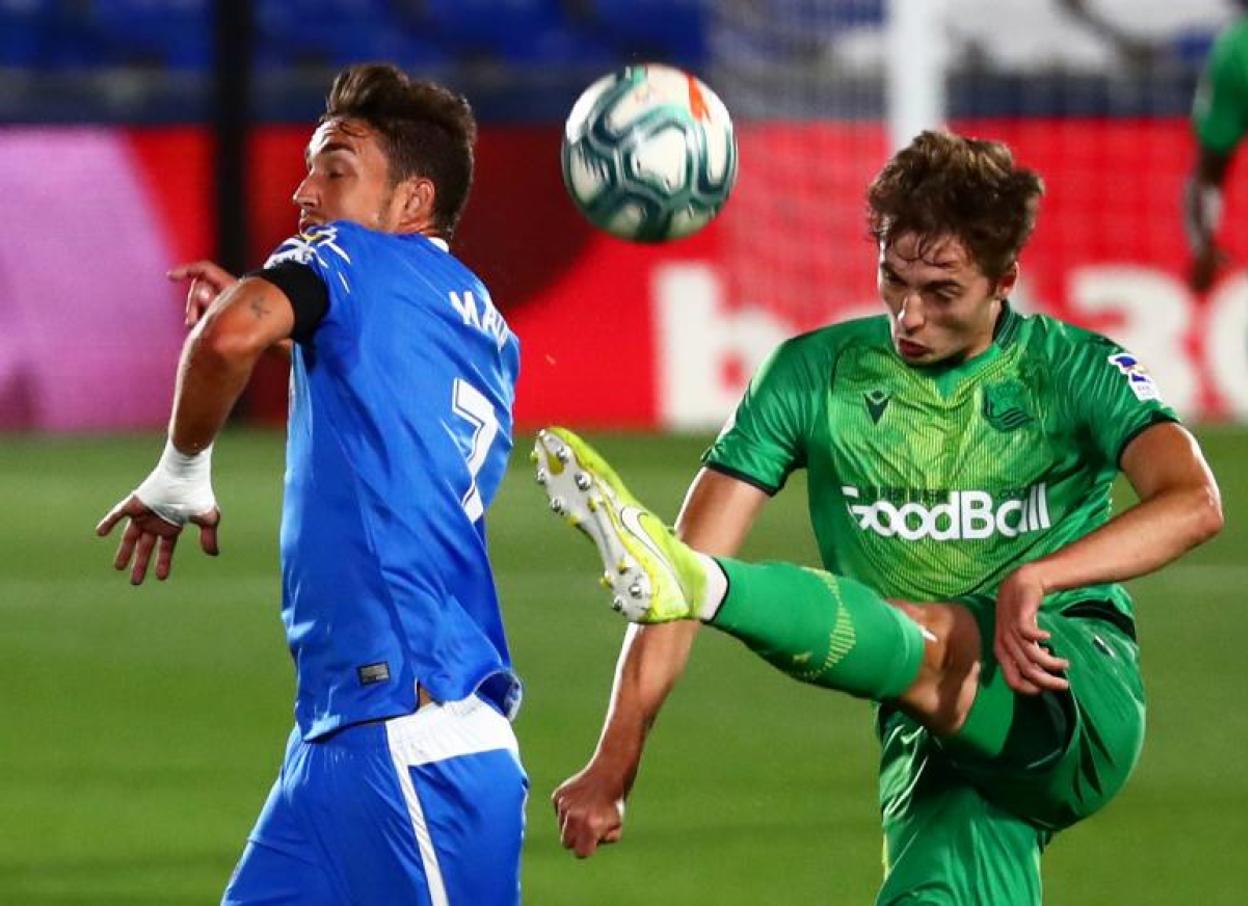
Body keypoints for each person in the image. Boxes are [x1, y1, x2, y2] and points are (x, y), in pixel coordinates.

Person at [538, 131, 1223, 904]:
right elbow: (667, 589)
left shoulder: (1072, 370)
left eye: (942, 292)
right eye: (894, 279)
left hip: (1065, 681)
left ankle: (722, 589)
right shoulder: (810, 376)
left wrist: (1040, 575)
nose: (910, 314)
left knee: (917, 634)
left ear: (1004, 281)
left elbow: (1194, 502)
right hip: (929, 734)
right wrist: (614, 761)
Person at [95, 63, 526, 905]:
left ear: (412, 199)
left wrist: (181, 471)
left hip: (410, 735)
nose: (305, 192)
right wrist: (287, 327)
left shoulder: (344, 254)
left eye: (336, 169)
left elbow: (227, 340)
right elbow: (388, 389)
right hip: (337, 740)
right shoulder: (482, 319)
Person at [1186, 1, 1248, 291]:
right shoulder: (1235, 55)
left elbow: (1207, 171)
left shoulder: (1234, 51)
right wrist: (1204, 247)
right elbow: (1208, 170)